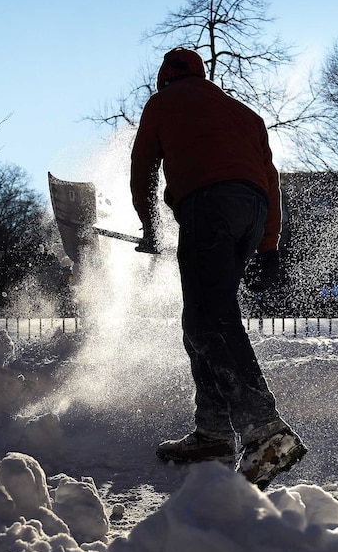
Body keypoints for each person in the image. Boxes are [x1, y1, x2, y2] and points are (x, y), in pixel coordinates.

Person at [129, 47, 306, 489]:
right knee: (203, 318)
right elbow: (270, 179)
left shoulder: (163, 102)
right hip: (252, 211)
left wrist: (149, 226)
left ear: (164, 79)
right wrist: (268, 248)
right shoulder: (243, 113)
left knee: (211, 318)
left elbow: (144, 169)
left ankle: (265, 430)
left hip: (208, 204)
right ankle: (213, 432)